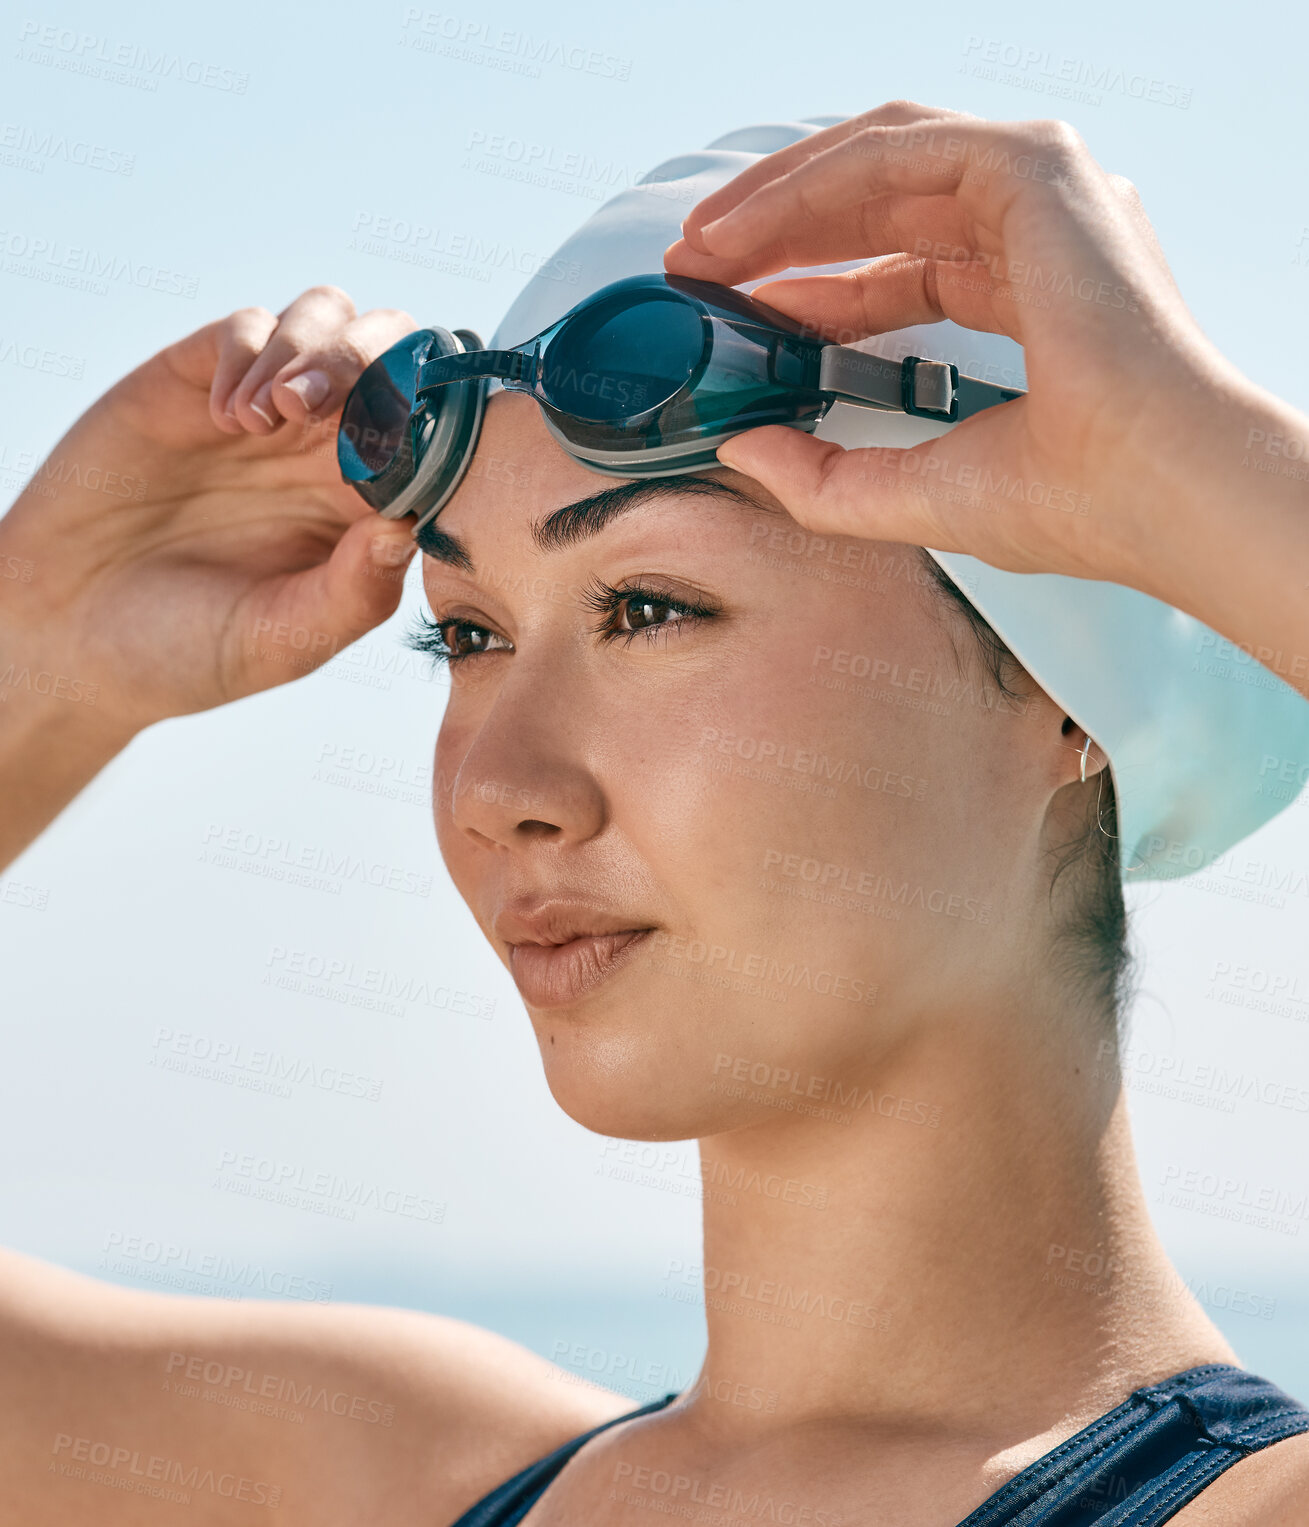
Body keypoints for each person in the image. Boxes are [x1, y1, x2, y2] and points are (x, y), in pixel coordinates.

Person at [0, 101, 1307, 1526]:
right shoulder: (373, 1479)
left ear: (1061, 691)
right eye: (469, 635)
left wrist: (1186, 466)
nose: (501, 789)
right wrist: (43, 653)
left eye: (648, 607)